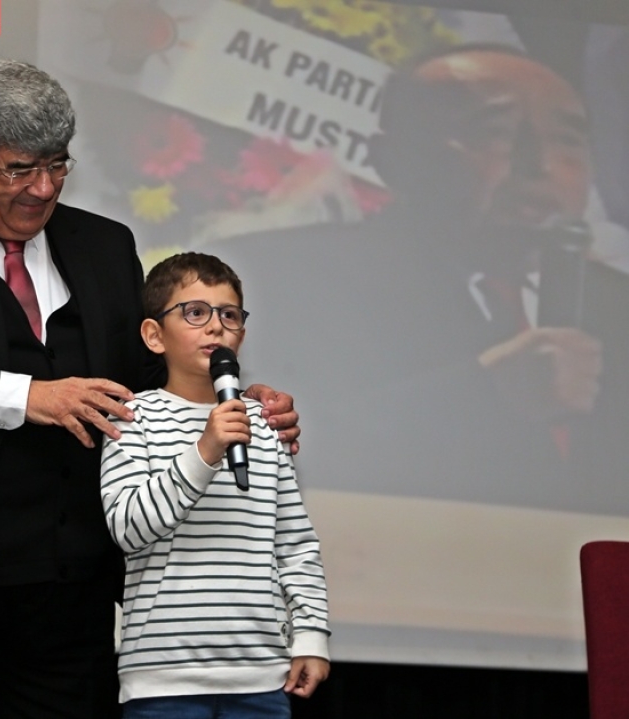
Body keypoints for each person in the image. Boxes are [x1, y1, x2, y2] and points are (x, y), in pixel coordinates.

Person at [0, 59, 300, 719]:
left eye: (57, 165)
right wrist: (31, 397)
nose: (43, 189)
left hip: (69, 588)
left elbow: (146, 381)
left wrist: (234, 402)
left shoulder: (104, 244)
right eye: (19, 169)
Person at [207, 43, 629, 514]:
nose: (542, 166)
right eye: (496, 133)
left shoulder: (617, 303)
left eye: (567, 140)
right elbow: (244, 456)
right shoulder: (264, 279)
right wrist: (483, 393)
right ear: (392, 159)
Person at [100, 252, 330, 718]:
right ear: (154, 335)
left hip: (261, 674)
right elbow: (127, 528)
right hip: (162, 675)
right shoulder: (131, 418)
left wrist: (311, 636)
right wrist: (204, 451)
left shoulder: (264, 424)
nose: (215, 328)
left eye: (229, 315)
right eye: (195, 313)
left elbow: (294, 544)